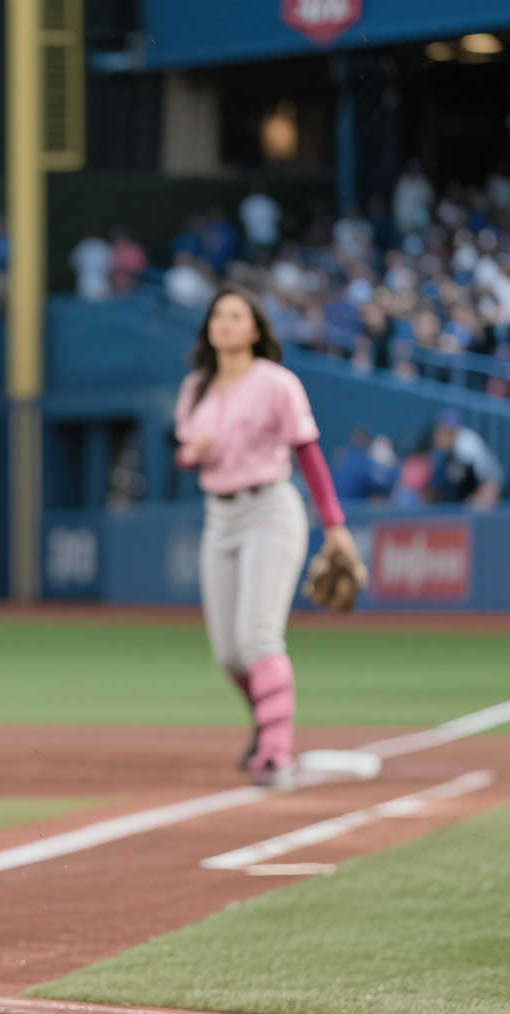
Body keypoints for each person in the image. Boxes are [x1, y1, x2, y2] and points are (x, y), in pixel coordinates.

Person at [173, 287, 358, 786]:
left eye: (237, 316)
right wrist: (195, 452)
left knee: (258, 635)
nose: (226, 324)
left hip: (270, 508)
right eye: (218, 315)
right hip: (221, 514)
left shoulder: (278, 383)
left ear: (256, 329)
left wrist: (334, 525)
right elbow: (184, 454)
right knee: (229, 653)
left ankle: (276, 753)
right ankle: (266, 722)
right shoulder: (196, 388)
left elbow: (309, 453)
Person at [426, 408, 503, 509]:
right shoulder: (442, 452)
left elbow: (492, 481)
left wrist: (478, 501)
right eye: (439, 431)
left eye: (445, 432)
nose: (438, 436)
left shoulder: (467, 446)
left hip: (486, 490)